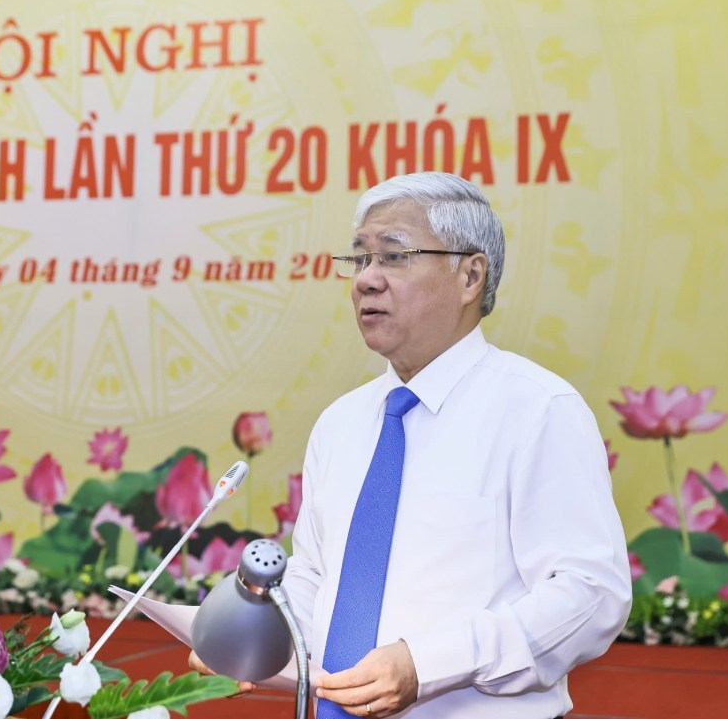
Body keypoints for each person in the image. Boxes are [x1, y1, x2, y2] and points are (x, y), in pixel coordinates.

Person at [190, 171, 631, 718]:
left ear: (470, 275)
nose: (366, 280)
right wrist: (246, 639)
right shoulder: (342, 422)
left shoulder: (537, 410)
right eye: (360, 259)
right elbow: (315, 579)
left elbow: (591, 596)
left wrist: (428, 664)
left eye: (393, 256)